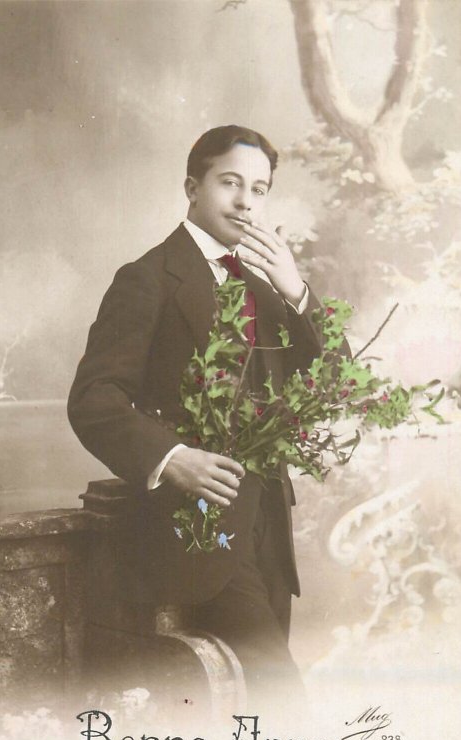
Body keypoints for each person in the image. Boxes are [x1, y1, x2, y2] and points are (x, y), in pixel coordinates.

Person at [68, 125, 346, 710]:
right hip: (192, 529)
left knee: (255, 708)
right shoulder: (148, 278)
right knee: (282, 700)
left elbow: (338, 379)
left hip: (268, 529)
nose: (246, 202)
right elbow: (94, 398)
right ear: (193, 188)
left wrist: (297, 290)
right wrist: (171, 458)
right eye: (230, 183)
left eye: (259, 189)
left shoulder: (267, 288)